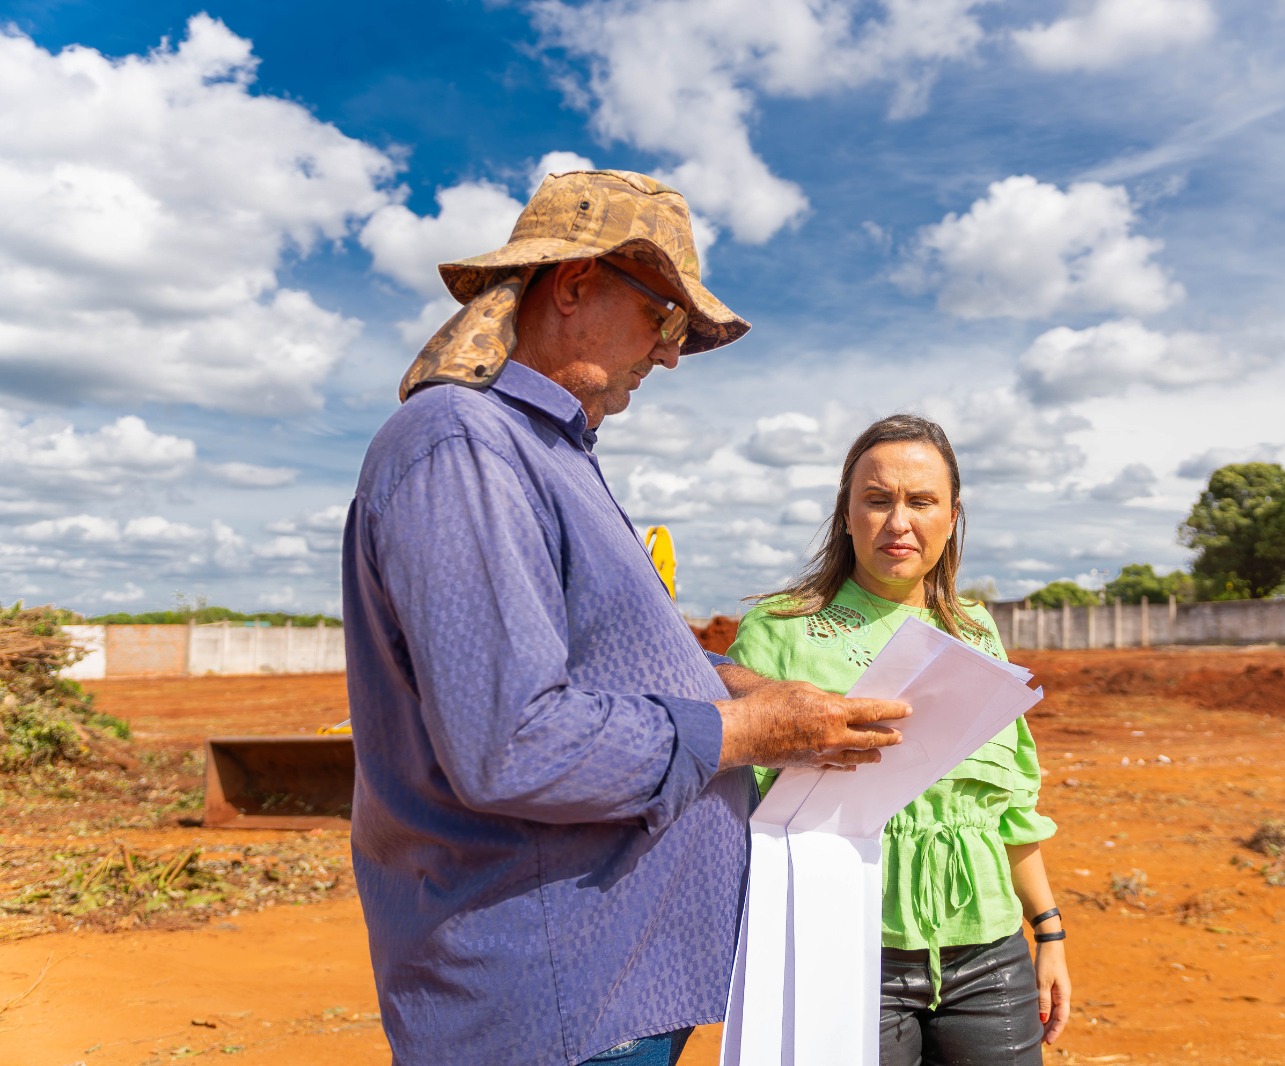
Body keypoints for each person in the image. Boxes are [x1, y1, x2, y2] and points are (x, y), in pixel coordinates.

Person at [341, 169, 911, 1066]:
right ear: (573, 284)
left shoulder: (542, 451)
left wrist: (730, 683)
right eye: (665, 318)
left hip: (603, 987)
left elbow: (589, 671)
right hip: (549, 1004)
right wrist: (746, 730)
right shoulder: (462, 446)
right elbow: (513, 743)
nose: (673, 353)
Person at [727, 414, 1070, 1065]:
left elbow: (1005, 804)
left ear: (952, 515)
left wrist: (1047, 929)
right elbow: (737, 810)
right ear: (847, 513)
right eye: (877, 500)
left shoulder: (975, 632)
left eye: (922, 501)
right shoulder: (777, 632)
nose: (898, 521)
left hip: (990, 959)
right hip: (843, 955)